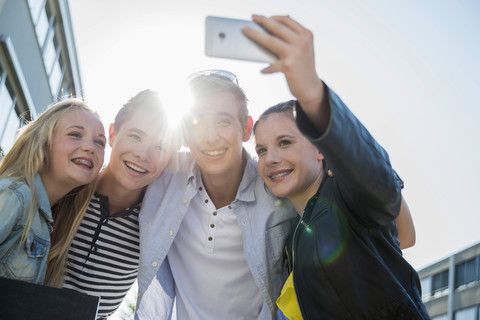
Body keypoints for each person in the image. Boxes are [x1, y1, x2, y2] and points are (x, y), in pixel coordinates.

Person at [135, 71, 416, 319]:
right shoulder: (164, 177)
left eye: (222, 122)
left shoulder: (286, 189)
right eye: (197, 123)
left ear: (245, 128)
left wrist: (346, 168)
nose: (210, 138)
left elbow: (399, 231)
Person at [246, 14, 429, 319]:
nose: (270, 158)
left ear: (321, 150)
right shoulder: (294, 236)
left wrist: (311, 93)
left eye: (285, 143)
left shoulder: (348, 195)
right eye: (261, 150)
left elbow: (372, 173)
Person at [62, 90, 178, 319]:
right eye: (135, 136)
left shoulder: (157, 225)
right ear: (113, 134)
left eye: (160, 147)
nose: (142, 154)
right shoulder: (68, 188)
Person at [0, 99, 106, 287]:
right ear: (44, 143)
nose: (90, 147)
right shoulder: (14, 195)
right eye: (75, 134)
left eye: (99, 142)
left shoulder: (52, 222)